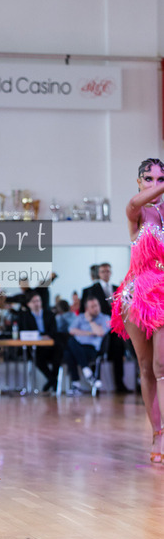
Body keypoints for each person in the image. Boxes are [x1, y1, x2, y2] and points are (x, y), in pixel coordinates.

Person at [110, 158, 164, 462]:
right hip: (138, 295)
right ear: (139, 182)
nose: (155, 185)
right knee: (146, 367)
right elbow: (133, 202)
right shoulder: (137, 211)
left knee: (161, 365)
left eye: (160, 179)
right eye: (149, 179)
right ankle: (157, 432)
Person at [81, 263, 130, 394]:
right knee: (97, 354)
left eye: (108, 271)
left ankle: (119, 384)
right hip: (98, 329)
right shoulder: (90, 290)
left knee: (118, 353)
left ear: (111, 272)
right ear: (98, 273)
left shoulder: (117, 288)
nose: (105, 273)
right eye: (103, 271)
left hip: (114, 328)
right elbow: (84, 311)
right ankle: (96, 385)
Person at [17, 291, 60, 392]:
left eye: (38, 301)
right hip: (35, 347)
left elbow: (53, 332)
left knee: (59, 350)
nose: (37, 303)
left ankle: (52, 381)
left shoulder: (49, 314)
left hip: (49, 346)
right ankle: (53, 380)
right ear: (28, 304)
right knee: (35, 356)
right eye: (34, 301)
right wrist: (41, 336)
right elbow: (25, 332)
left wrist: (41, 336)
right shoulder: (25, 316)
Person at [66, 296, 110, 392]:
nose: (95, 308)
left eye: (96, 305)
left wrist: (90, 321)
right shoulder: (81, 317)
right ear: (87, 309)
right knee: (70, 343)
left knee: (69, 351)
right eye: (92, 307)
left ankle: (76, 384)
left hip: (92, 350)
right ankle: (87, 371)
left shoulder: (105, 318)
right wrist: (89, 333)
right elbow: (71, 330)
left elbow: (100, 332)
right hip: (78, 346)